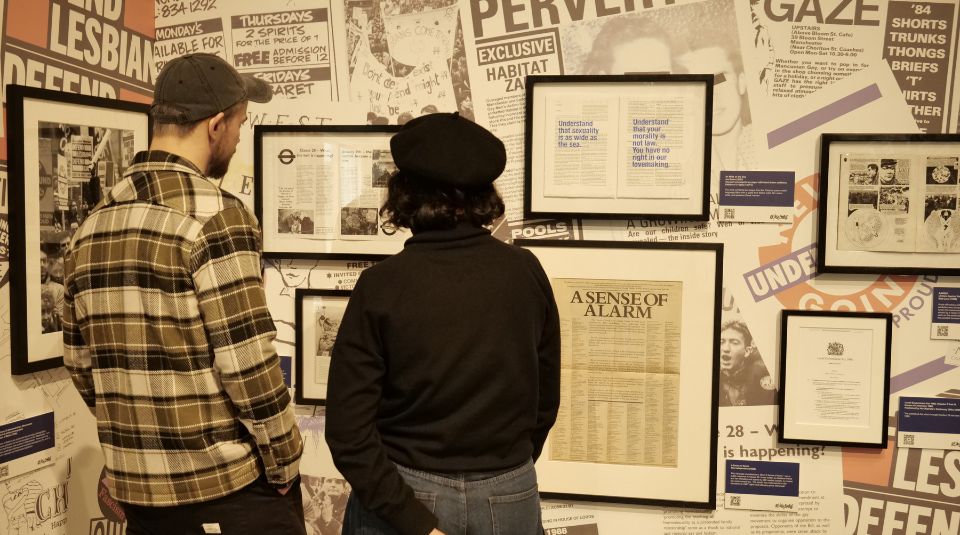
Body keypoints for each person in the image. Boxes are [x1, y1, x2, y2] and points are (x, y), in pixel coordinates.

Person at [62, 53, 305, 534]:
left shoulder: (90, 226)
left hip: (141, 506)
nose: (239, 138)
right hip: (226, 497)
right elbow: (250, 367)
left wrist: (141, 442)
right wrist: (285, 463)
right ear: (215, 125)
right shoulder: (217, 216)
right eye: (240, 124)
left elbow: (79, 363)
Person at [325, 112, 561, 535]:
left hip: (406, 493)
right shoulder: (526, 272)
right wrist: (502, 471)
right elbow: (544, 401)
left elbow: (348, 432)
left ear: (405, 196)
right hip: (508, 492)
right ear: (483, 196)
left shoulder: (381, 286)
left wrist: (412, 520)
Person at [718, 319, 776, 407]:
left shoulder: (760, 376)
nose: (725, 349)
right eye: (721, 342)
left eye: (734, 343)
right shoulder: (713, 378)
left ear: (747, 351)